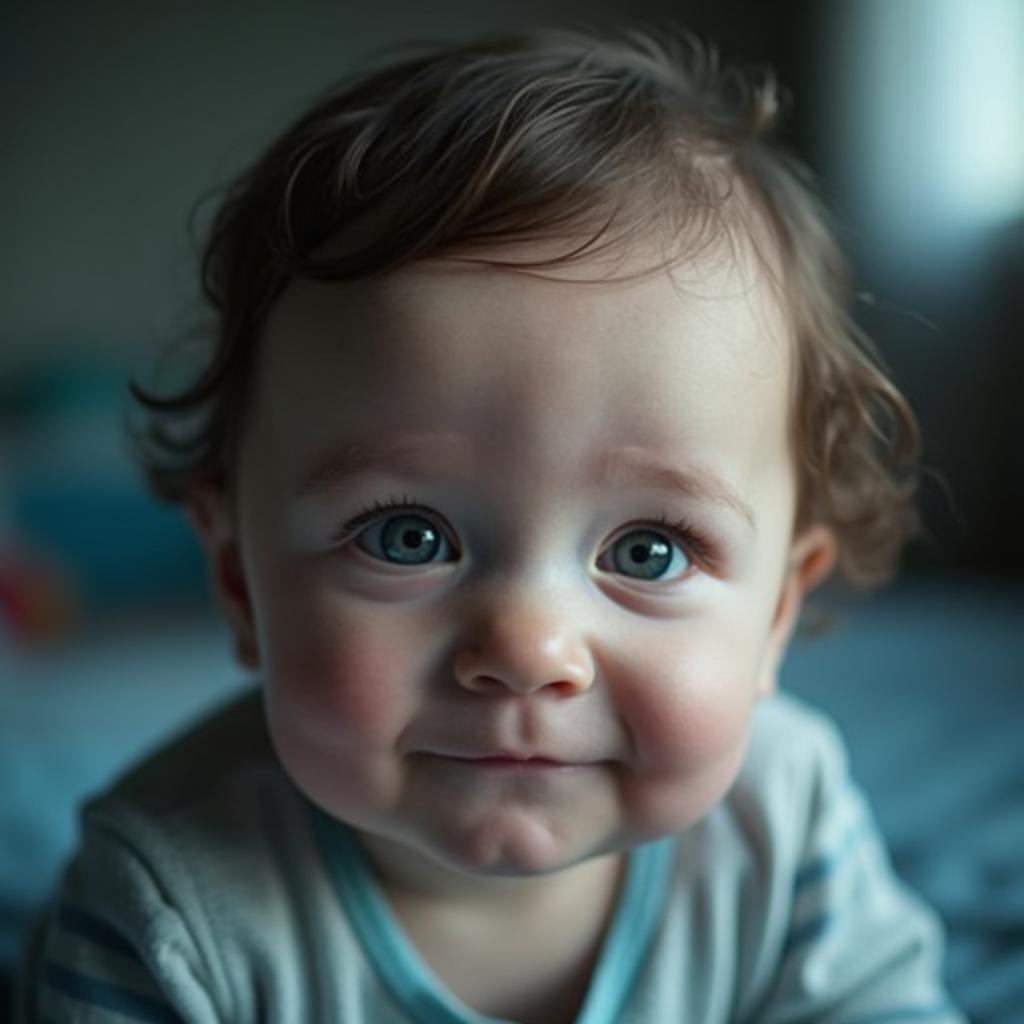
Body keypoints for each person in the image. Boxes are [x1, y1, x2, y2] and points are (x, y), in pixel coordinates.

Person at [17, 24, 966, 1023]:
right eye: (407, 537)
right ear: (238, 580)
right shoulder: (165, 909)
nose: (527, 649)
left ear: (777, 611)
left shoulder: (784, 823)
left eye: (647, 551)